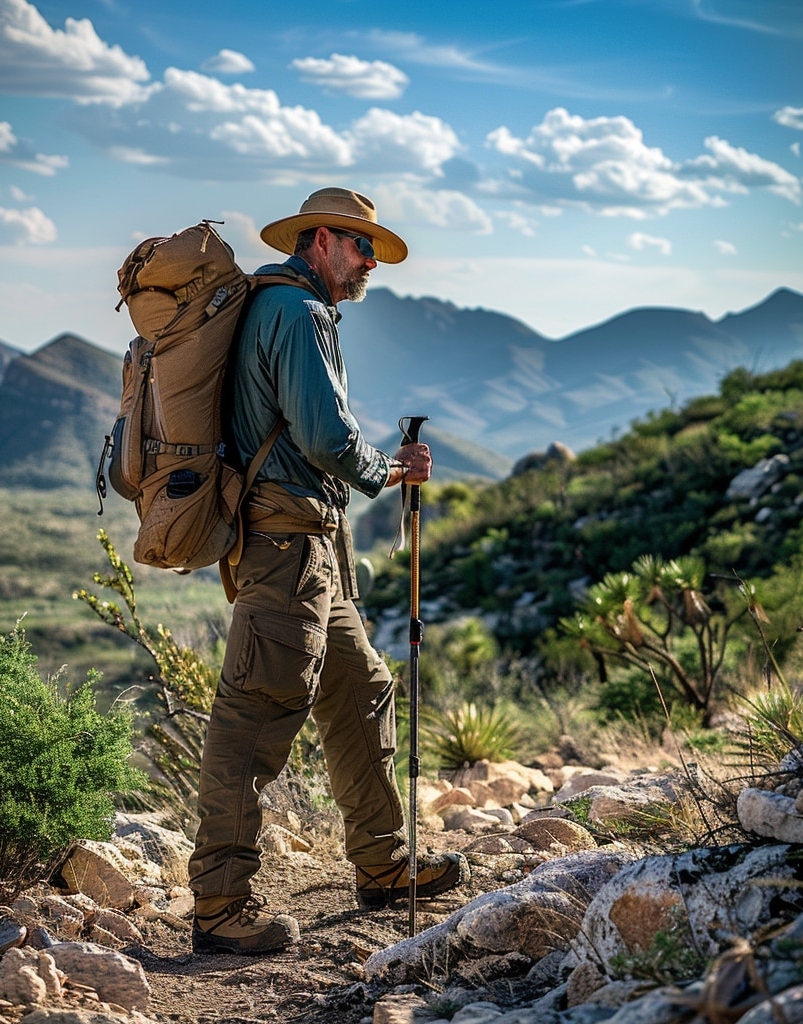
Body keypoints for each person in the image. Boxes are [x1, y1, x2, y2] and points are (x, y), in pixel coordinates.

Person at [188, 187, 469, 956]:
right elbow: (323, 434)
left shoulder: (280, 307)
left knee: (359, 686)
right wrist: (391, 468)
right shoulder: (300, 313)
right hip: (286, 550)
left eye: (375, 250)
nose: (372, 263)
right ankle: (220, 903)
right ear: (320, 240)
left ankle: (383, 864)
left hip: (309, 549)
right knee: (255, 717)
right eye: (361, 247)